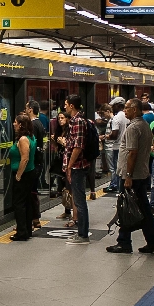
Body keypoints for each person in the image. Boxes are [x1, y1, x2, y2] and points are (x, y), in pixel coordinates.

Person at [106, 99, 154, 254]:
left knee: (126, 207)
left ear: (135, 110)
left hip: (131, 175)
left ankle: (124, 242)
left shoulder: (133, 128)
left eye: (127, 108)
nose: (125, 111)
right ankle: (153, 241)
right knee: (143, 209)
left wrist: (128, 176)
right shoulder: (144, 125)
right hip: (141, 173)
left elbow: (132, 153)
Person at [64, 94, 91, 245]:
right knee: (78, 199)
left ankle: (83, 234)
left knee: (80, 201)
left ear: (72, 106)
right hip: (75, 166)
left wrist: (69, 165)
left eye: (66, 104)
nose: (65, 107)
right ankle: (81, 232)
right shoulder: (74, 121)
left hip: (78, 167)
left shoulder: (79, 122)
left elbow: (78, 146)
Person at [9, 114, 36, 241]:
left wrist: (18, 175)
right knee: (27, 202)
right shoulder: (31, 137)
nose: (13, 124)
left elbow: (25, 158)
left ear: (20, 125)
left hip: (23, 174)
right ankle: (27, 230)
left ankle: (22, 232)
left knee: (19, 203)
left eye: (15, 122)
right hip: (29, 173)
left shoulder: (23, 139)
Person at [25, 100, 45, 227]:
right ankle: (35, 217)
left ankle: (33, 217)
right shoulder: (40, 123)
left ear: (31, 109)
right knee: (33, 190)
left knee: (30, 191)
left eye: (27, 108)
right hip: (38, 161)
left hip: (33, 163)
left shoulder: (32, 125)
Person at [105, 98, 128, 193]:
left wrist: (107, 136)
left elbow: (114, 135)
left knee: (117, 170)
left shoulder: (116, 118)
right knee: (123, 171)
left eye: (113, 106)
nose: (112, 108)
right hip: (126, 146)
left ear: (118, 106)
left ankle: (119, 191)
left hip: (117, 146)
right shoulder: (127, 116)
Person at [51, 112, 71, 221]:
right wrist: (54, 142)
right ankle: (67, 210)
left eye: (62, 118)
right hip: (60, 159)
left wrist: (64, 143)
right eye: (59, 118)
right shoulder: (59, 131)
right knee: (62, 185)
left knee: (68, 186)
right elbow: (56, 148)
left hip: (68, 160)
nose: (60, 120)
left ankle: (71, 209)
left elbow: (71, 146)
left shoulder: (69, 131)